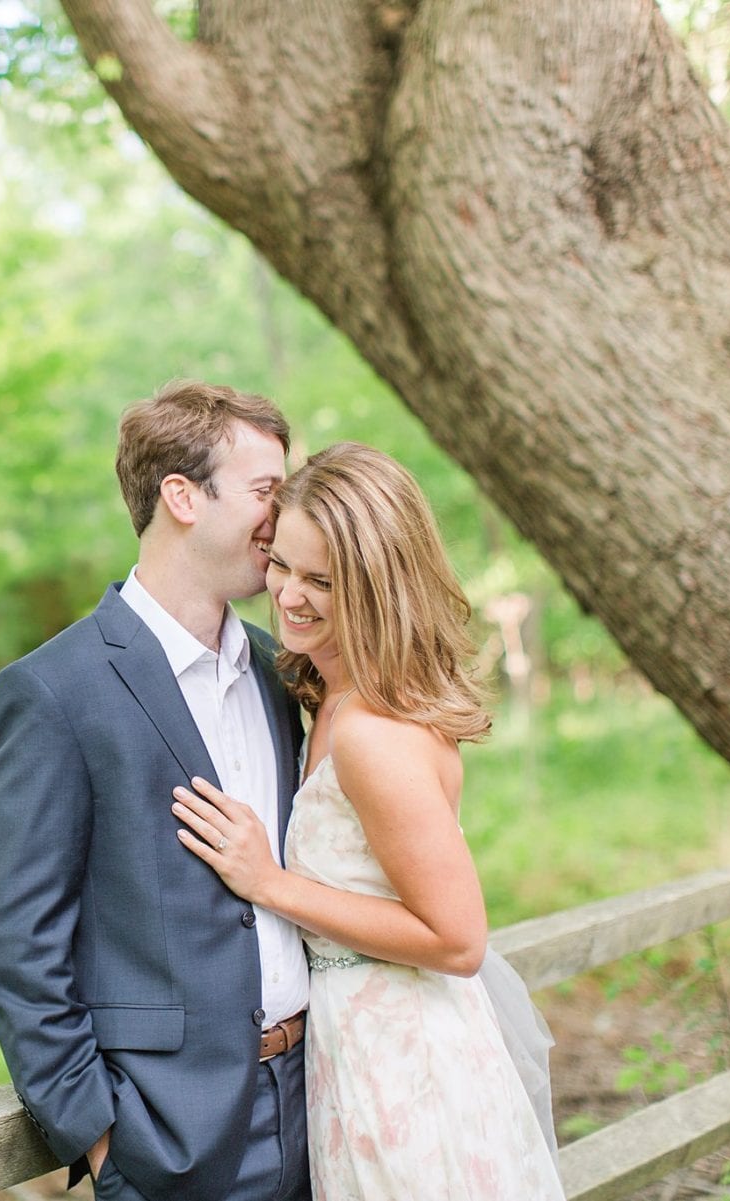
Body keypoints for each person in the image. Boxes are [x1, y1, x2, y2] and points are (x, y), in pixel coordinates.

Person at [171, 442, 564, 1199]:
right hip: (358, 1054)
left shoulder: (373, 735)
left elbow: (456, 937)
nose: (288, 595)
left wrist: (269, 882)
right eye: (281, 564)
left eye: (323, 580)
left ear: (380, 584)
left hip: (409, 1068)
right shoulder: (331, 699)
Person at [0, 380, 311, 1201]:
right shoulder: (53, 690)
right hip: (168, 1139)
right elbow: (17, 942)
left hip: (313, 1104)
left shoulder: (282, 671)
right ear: (182, 496)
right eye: (267, 491)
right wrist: (102, 1139)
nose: (284, 517)